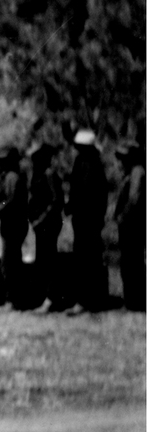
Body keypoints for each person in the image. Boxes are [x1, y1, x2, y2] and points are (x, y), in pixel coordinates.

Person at [65, 130, 108, 314]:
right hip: (82, 219)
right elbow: (76, 190)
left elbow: (96, 195)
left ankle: (90, 300)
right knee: (84, 259)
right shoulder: (81, 162)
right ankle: (87, 299)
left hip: (89, 219)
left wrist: (96, 217)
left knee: (89, 259)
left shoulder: (94, 165)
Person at [0, 146, 29, 309]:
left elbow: (10, 201)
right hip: (13, 224)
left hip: (13, 225)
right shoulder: (10, 177)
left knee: (9, 263)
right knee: (11, 261)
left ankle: (14, 299)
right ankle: (14, 298)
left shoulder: (11, 178)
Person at [26, 141, 66, 311]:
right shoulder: (39, 174)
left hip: (48, 223)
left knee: (48, 259)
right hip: (40, 224)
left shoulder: (49, 174)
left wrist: (40, 219)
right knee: (43, 259)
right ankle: (45, 297)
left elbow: (56, 201)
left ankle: (51, 298)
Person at [112, 142, 144, 312]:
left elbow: (134, 199)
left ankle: (134, 301)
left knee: (132, 262)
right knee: (129, 261)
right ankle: (131, 299)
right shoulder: (131, 172)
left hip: (132, 225)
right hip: (128, 225)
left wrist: (123, 217)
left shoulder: (137, 172)